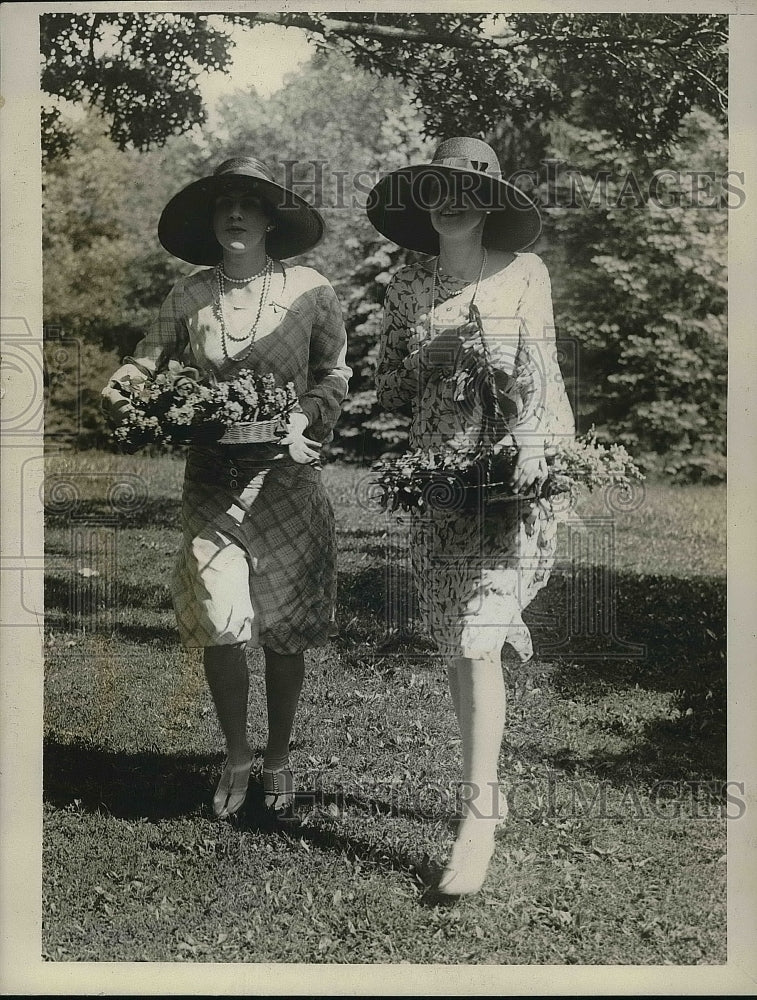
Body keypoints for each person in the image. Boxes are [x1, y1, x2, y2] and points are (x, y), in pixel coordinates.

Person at [102, 155, 351, 819]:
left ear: (271, 217)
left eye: (249, 203)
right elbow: (142, 360)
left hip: (286, 478)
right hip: (212, 480)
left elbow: (335, 374)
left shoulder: (310, 290)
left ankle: (277, 755)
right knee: (217, 619)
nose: (235, 214)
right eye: (223, 205)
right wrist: (122, 388)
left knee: (284, 628)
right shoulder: (189, 294)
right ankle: (237, 755)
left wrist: (307, 414)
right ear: (211, 219)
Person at [367, 137, 574, 894]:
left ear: (489, 200)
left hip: (511, 473)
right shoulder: (409, 282)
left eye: (467, 188)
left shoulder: (525, 273)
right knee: (459, 640)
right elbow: (387, 389)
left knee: (479, 631)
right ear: (424, 201)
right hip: (439, 479)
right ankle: (483, 783)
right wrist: (431, 355)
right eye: (437, 188)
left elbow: (544, 373)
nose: (450, 200)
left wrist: (531, 443)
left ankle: (477, 813)